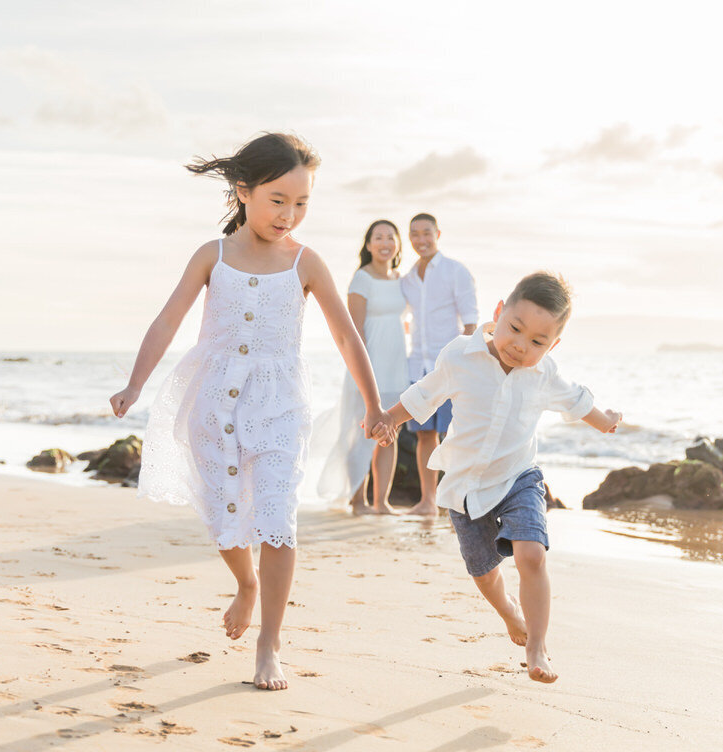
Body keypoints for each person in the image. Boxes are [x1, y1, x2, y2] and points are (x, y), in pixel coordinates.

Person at [110, 133, 391, 691]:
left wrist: (375, 403)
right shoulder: (212, 256)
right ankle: (246, 582)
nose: (290, 215)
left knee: (278, 521)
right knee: (225, 514)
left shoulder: (305, 263)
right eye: (278, 200)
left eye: (302, 202)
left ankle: (270, 644)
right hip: (213, 403)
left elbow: (344, 332)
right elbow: (168, 320)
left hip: (280, 403)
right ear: (244, 191)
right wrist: (135, 382)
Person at [371, 272, 622, 683]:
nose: (522, 346)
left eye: (538, 342)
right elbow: (424, 394)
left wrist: (606, 421)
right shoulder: (460, 357)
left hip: (519, 476)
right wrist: (389, 420)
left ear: (553, 345)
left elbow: (578, 400)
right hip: (465, 485)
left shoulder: (545, 375)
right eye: (515, 329)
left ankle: (537, 647)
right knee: (485, 573)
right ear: (498, 313)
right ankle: (509, 612)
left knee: (531, 555)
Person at [316, 220, 410, 514]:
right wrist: (362, 372)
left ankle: (381, 502)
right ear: (368, 245)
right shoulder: (361, 279)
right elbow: (354, 330)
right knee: (361, 433)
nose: (384, 243)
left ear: (397, 244)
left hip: (398, 366)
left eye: (390, 238)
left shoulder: (400, 279)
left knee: (389, 432)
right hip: (369, 368)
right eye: (378, 237)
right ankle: (358, 500)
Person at [399, 213, 478, 515]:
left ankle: (460, 501)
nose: (421, 240)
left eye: (426, 233)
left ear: (438, 234)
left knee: (455, 434)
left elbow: (470, 321)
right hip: (417, 367)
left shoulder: (455, 271)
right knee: (424, 435)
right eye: (415, 234)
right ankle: (428, 501)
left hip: (450, 367)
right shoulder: (406, 279)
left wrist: (469, 364)